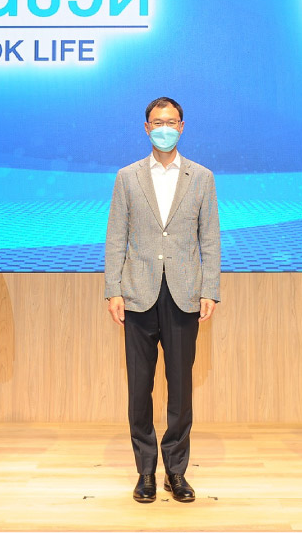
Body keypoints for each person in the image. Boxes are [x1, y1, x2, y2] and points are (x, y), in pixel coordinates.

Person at [104, 97, 221, 504]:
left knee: (180, 388)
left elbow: (210, 238)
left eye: (171, 122)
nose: (164, 128)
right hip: (137, 293)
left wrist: (210, 289)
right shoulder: (127, 176)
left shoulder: (202, 177)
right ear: (146, 128)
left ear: (182, 127)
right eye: (157, 122)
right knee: (140, 388)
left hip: (184, 294)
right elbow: (116, 236)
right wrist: (113, 289)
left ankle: (176, 470)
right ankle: (145, 471)